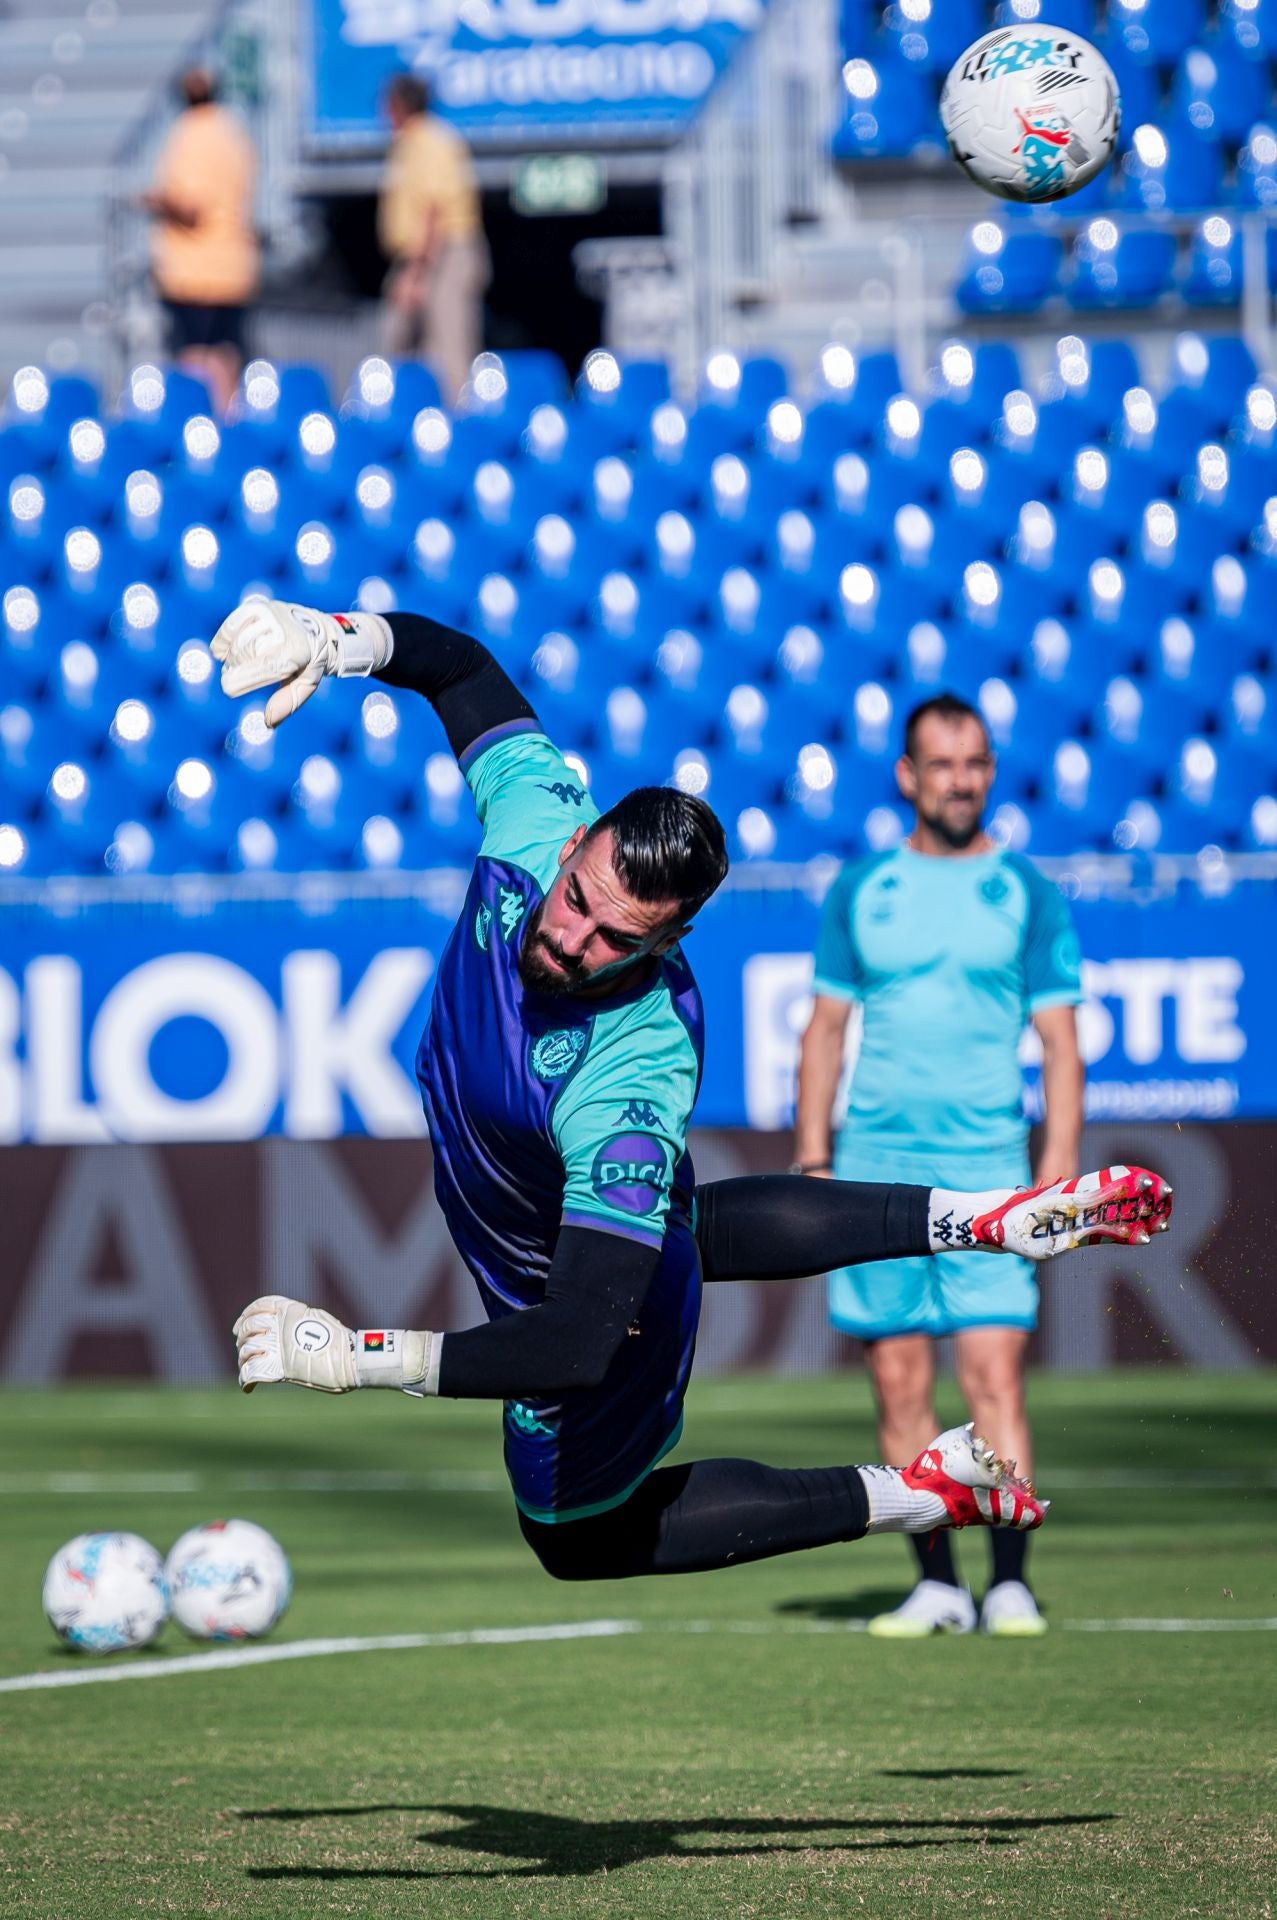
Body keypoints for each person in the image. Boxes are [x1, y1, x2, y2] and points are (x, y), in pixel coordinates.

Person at [211, 599, 1170, 1582]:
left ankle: (920, 1492)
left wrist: (359, 1357)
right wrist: (340, 641)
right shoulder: (535, 813)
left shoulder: (629, 1074)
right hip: (572, 1236)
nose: (569, 937)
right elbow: (459, 670)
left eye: (613, 939)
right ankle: (979, 1219)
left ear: (666, 943)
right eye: (577, 896)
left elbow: (579, 1340)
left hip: (580, 1304)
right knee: (680, 1231)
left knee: (577, 1540)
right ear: (577, 840)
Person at [793, 694, 1085, 1639]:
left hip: (991, 1174)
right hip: (876, 1169)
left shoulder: (1027, 892)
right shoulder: (860, 890)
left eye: (976, 764)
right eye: (942, 764)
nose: (961, 781)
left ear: (989, 773)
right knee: (899, 1385)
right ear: (907, 776)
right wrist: (812, 1159)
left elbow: (1061, 1045)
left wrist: (1060, 1172)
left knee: (994, 1379)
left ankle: (1009, 1580)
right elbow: (825, 1032)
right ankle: (936, 1584)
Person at [143, 69, 258, 417]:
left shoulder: (190, 133)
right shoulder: (233, 132)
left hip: (196, 269)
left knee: (195, 354)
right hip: (234, 264)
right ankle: (230, 425)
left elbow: (191, 207)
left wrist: (156, 202)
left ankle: (200, 428)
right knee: (225, 353)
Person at [378, 73, 488, 407]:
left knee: (449, 346)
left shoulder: (432, 141)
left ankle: (458, 424)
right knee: (401, 344)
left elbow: (434, 211)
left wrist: (417, 271)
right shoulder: (409, 143)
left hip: (443, 253)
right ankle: (407, 418)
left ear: (398, 106)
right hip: (423, 255)